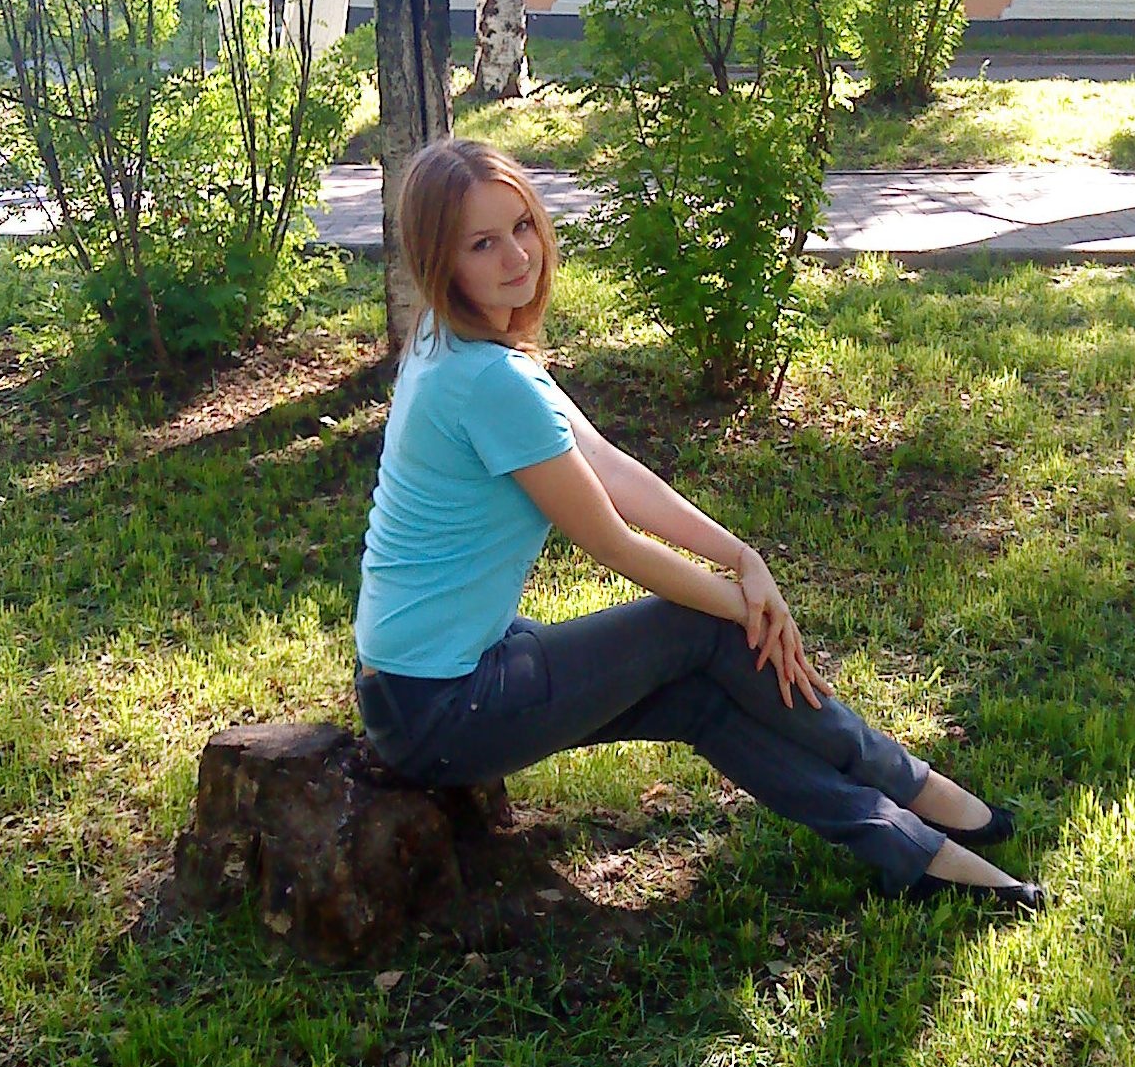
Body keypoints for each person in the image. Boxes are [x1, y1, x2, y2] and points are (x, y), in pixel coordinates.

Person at [353, 139, 1044, 913]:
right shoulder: (484, 380)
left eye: (522, 225)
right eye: (482, 244)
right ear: (441, 262)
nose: (518, 256)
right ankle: (909, 783)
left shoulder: (461, 344)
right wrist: (746, 609)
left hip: (429, 681)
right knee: (699, 629)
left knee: (698, 699)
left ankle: (909, 849)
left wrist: (743, 558)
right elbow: (612, 541)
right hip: (443, 706)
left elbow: (610, 468)